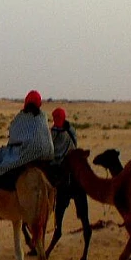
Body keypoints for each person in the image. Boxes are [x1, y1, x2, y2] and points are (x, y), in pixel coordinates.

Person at [0, 90, 54, 197]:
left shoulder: (22, 116)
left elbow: (14, 134)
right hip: (47, 154)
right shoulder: (43, 116)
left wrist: (12, 143)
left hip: (29, 153)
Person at [47, 107, 91, 251]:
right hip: (75, 173)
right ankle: (84, 255)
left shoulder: (52, 134)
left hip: (61, 175)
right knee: (85, 219)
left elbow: (49, 152)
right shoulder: (71, 131)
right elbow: (75, 145)